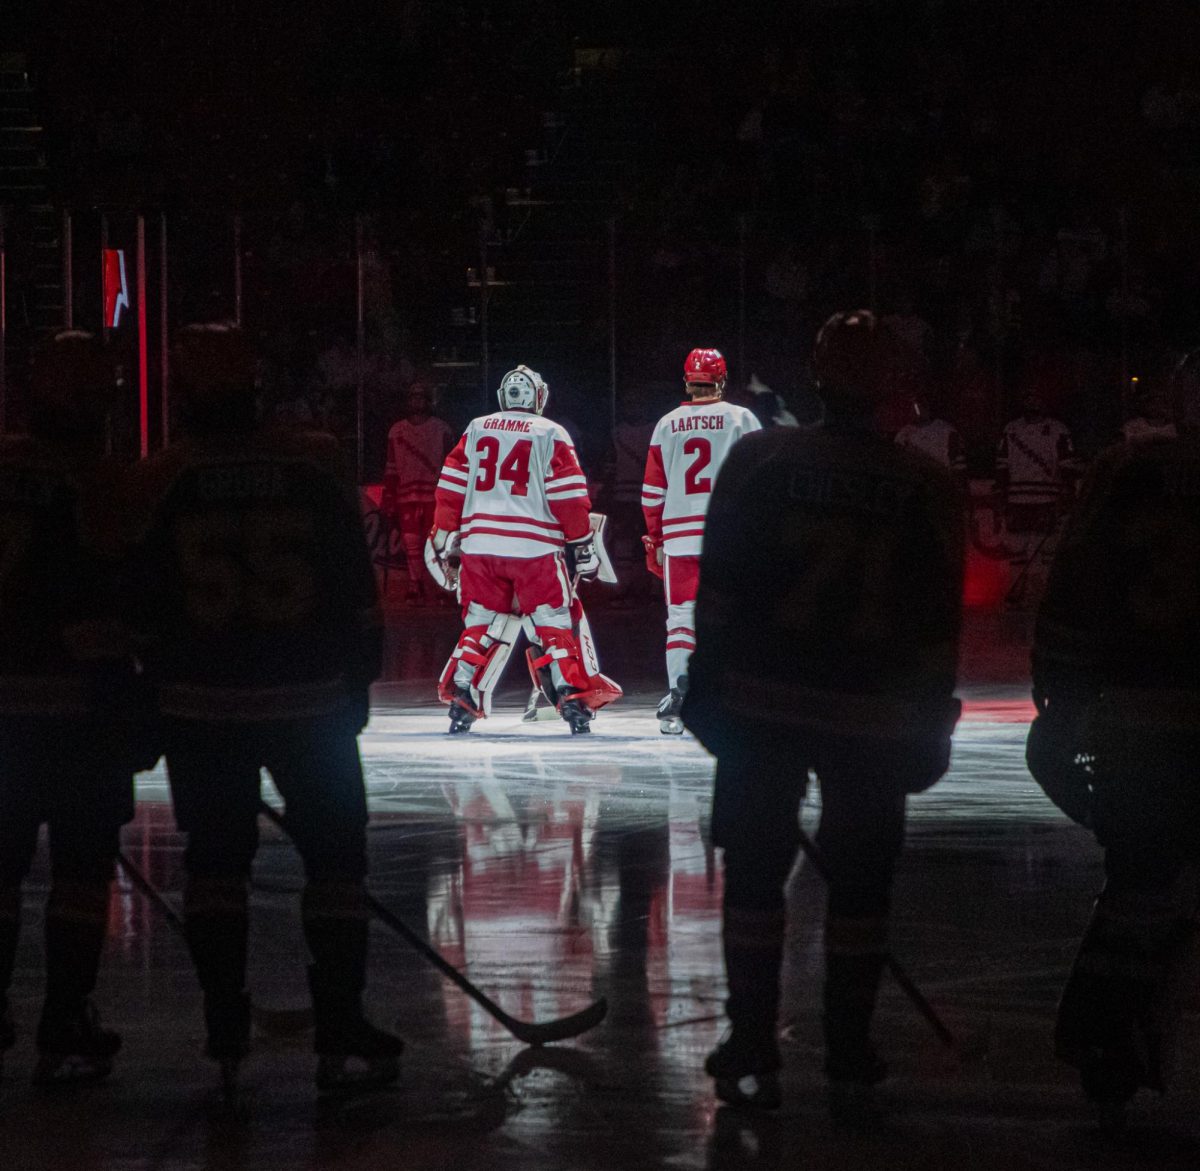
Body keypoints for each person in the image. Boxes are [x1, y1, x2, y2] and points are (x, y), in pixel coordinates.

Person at [683, 310, 963, 1111]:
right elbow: (936, 621)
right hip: (871, 717)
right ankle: (848, 1046)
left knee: (754, 878)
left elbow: (721, 587)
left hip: (764, 706)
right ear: (894, 389)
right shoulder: (926, 487)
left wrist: (707, 683)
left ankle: (749, 1036)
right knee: (862, 886)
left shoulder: (758, 460)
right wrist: (931, 717)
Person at [125, 323, 401, 1095]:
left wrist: (146, 696)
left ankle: (224, 1017)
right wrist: (360, 679)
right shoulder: (310, 463)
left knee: (216, 866)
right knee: (338, 864)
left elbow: (140, 599)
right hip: (309, 700)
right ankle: (340, 1019)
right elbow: (354, 580)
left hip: (202, 705)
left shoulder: (163, 476)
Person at [1026, 422, 1200, 1130]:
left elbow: (1077, 582)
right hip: (1158, 714)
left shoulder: (1129, 471)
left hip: (1137, 716)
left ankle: (1104, 1039)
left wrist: (1060, 698)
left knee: (1139, 888)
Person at [0, 331, 142, 1083]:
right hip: (77, 713)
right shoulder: (101, 483)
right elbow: (123, 605)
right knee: (81, 875)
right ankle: (65, 1014)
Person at [430, 364, 611, 735]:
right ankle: (573, 702)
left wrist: (444, 535)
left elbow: (450, 487)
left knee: (480, 625)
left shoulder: (477, 427)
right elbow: (570, 497)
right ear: (538, 397)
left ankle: (463, 700)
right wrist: (581, 542)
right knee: (554, 625)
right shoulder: (551, 431)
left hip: (481, 547)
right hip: (535, 549)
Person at [641, 349, 761, 733]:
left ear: (687, 381)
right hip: (728, 536)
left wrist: (655, 537)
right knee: (736, 616)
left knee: (680, 619)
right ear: (722, 380)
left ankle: (680, 695)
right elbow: (761, 481)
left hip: (679, 537)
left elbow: (651, 493)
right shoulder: (742, 418)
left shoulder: (666, 424)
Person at [994, 390, 1078, 605]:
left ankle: (1040, 597)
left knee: (1045, 553)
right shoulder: (1011, 429)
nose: (1033, 403)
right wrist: (1001, 494)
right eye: (1029, 399)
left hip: (1047, 499)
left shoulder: (1058, 430)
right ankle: (1017, 594)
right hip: (1017, 499)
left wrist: (1067, 494)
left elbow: (1067, 466)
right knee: (1017, 551)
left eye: (1037, 399)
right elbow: (1002, 465)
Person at [381, 383, 454, 604]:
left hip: (435, 493)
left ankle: (441, 585)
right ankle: (415, 584)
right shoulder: (397, 430)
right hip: (407, 493)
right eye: (413, 397)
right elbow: (391, 465)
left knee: (437, 542)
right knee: (411, 541)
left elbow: (452, 463)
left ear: (428, 401)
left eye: (421, 397)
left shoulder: (442, 429)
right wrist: (389, 494)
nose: (417, 402)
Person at [893, 394, 967, 483]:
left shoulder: (946, 430)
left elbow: (958, 465)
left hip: (940, 482)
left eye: (919, 405)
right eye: (912, 406)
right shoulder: (903, 434)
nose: (916, 410)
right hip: (914, 484)